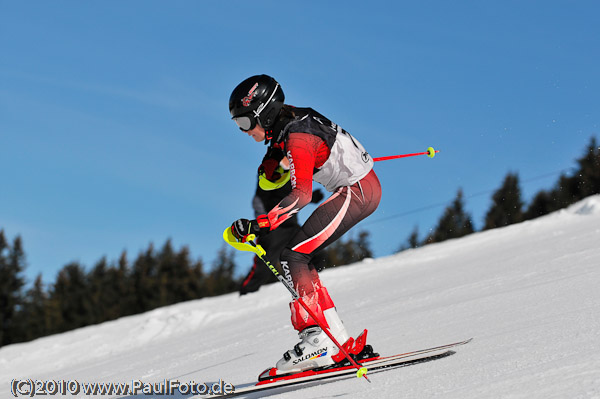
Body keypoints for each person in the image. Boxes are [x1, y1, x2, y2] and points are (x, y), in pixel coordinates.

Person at [228, 74, 382, 376]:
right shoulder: (290, 123)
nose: (243, 131)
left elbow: (302, 194)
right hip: (357, 187)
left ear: (264, 112)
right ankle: (336, 342)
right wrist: (274, 158)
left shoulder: (297, 136)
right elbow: (294, 149)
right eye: (238, 126)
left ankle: (317, 340)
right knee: (298, 255)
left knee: (293, 256)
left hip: (356, 192)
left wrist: (259, 225)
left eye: (245, 123)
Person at [239, 173, 325, 295]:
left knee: (313, 251)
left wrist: (311, 198)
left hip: (291, 226)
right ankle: (246, 293)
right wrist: (263, 224)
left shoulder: (293, 173)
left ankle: (318, 280)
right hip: (273, 229)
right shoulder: (271, 169)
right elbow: (258, 199)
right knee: (265, 263)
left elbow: (294, 198)